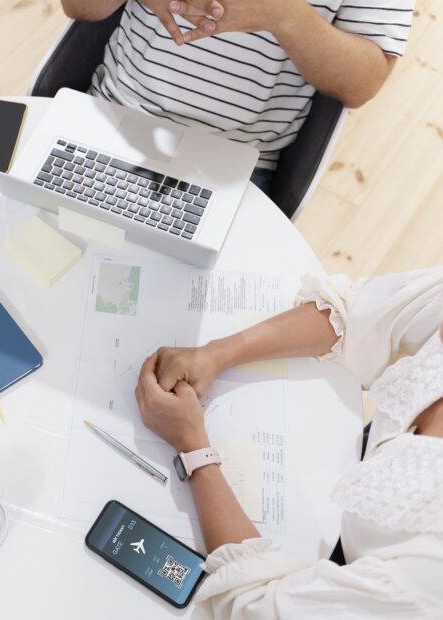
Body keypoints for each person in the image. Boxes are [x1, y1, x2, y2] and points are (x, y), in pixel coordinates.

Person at [134, 267, 443, 617]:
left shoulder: (429, 573)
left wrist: (192, 446)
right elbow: (359, 313)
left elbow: (254, 607)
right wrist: (215, 354)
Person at [60, 0, 414, 194]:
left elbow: (361, 84)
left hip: (233, 164)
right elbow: (78, 6)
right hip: (110, 118)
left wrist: (285, 15)